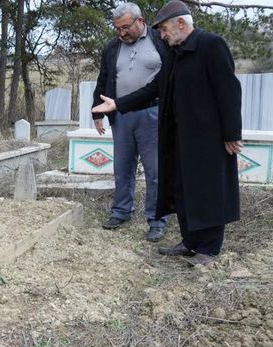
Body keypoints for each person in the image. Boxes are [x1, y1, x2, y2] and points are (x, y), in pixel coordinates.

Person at [92, 0, 243, 266]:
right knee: (183, 189)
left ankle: (209, 249)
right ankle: (190, 242)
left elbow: (229, 91)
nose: (161, 35)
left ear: (181, 24)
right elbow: (154, 89)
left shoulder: (211, 45)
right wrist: (118, 104)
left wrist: (232, 133)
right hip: (179, 136)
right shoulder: (175, 52)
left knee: (207, 191)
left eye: (163, 30)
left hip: (208, 137)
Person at [92, 2, 169, 242]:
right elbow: (104, 78)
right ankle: (121, 211)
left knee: (155, 171)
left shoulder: (160, 40)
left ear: (140, 21)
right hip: (121, 115)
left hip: (152, 114)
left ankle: (157, 220)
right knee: (122, 168)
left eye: (126, 27)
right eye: (117, 28)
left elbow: (172, 76)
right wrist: (96, 112)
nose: (122, 33)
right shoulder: (113, 47)